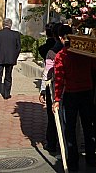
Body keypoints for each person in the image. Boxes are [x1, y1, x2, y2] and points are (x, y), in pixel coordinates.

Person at [52, 25, 96, 171]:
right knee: (88, 126)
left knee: (70, 129)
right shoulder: (84, 53)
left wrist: (57, 98)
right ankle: (91, 157)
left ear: (61, 38)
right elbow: (95, 67)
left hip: (71, 93)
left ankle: (73, 161)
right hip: (87, 91)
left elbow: (59, 79)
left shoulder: (61, 55)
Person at [39, 23, 62, 153]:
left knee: (53, 115)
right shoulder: (70, 49)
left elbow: (47, 73)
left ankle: (52, 142)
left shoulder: (52, 51)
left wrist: (42, 89)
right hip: (71, 88)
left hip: (55, 87)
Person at [0, 18, 21, 102]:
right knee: (8, 76)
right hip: (10, 59)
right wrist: (14, 57)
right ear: (10, 25)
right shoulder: (16, 34)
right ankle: (6, 94)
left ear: (3, 24)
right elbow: (18, 48)